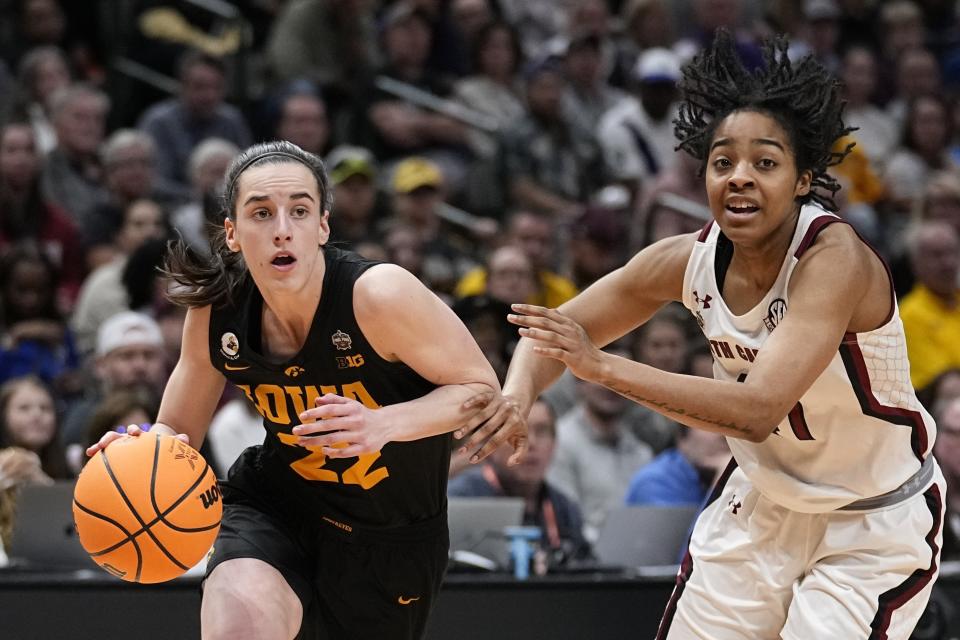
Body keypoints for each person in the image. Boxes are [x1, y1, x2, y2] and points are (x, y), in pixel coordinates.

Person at [462, 30, 945, 639]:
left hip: (868, 521)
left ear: (803, 180)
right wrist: (518, 394)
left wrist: (603, 367)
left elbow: (756, 410)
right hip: (761, 503)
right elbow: (558, 331)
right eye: (723, 163)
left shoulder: (834, 261)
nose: (739, 177)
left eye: (765, 163)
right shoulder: (683, 260)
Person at [87, 140, 513, 640]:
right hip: (276, 506)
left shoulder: (379, 295)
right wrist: (142, 454)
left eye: (300, 211)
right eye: (261, 213)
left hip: (390, 537)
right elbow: (178, 432)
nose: (283, 229)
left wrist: (383, 424)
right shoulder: (216, 309)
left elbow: (483, 389)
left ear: (323, 226)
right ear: (232, 233)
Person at [448, 398, 591, 566]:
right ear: (490, 443)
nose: (531, 443)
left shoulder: (565, 509)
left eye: (543, 431)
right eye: (516, 430)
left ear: (554, 445)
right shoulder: (458, 500)